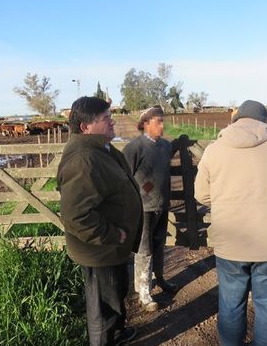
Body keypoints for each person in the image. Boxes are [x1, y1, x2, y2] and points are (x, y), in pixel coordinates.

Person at [194, 100, 267, 346]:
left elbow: (201, 194)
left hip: (231, 241)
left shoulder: (215, 148)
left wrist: (225, 201)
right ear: (263, 120)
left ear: (238, 118)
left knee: (231, 303)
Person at [57, 96, 142, 345]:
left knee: (115, 295)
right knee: (102, 307)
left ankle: (117, 330)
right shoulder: (84, 160)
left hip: (111, 247)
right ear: (85, 127)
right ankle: (104, 339)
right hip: (100, 248)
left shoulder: (99, 148)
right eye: (106, 118)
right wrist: (114, 235)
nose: (112, 121)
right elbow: (75, 216)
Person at [123, 106, 179, 312]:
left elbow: (162, 161)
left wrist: (181, 144)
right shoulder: (134, 148)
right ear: (145, 124)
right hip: (143, 208)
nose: (162, 125)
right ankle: (143, 291)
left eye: (163, 121)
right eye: (158, 121)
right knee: (143, 248)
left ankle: (160, 279)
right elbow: (124, 176)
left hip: (162, 204)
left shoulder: (165, 146)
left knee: (158, 244)